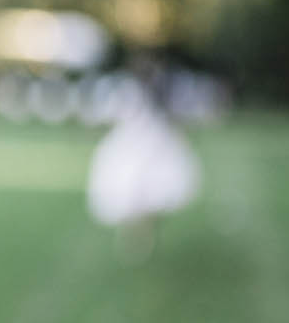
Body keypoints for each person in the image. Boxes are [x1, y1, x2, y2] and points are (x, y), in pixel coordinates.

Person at [84, 55, 202, 259]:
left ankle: (141, 231)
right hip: (137, 149)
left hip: (150, 150)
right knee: (136, 194)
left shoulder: (152, 94)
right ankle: (139, 232)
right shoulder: (135, 93)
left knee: (147, 194)